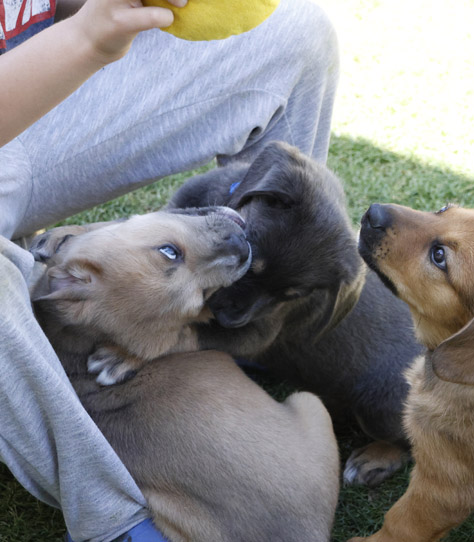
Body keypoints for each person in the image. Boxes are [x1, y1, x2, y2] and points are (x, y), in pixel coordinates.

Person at [0, 0, 339, 538]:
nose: (231, 244)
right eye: (170, 256)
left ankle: (255, 326)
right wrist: (87, 39)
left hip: (30, 91)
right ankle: (124, 518)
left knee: (297, 33)